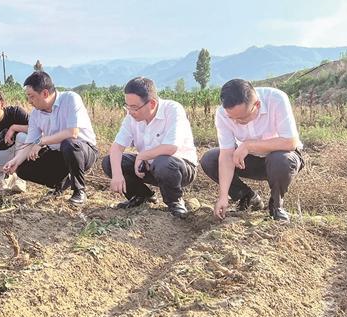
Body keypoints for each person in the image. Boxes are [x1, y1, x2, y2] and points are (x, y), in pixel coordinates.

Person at [200, 79, 304, 222]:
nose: (236, 122)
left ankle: (276, 206)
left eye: (242, 118)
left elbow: (290, 142)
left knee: (280, 160)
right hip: (251, 160)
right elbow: (226, 155)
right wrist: (223, 197)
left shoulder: (276, 99)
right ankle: (248, 197)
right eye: (232, 118)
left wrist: (249, 145)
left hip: (282, 159)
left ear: (257, 105)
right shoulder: (222, 114)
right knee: (210, 159)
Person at [102, 77, 198, 219]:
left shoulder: (172, 109)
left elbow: (171, 147)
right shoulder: (131, 118)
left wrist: (142, 156)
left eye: (134, 107)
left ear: (152, 103)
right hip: (148, 166)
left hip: (178, 168)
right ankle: (141, 196)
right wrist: (117, 175)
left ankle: (175, 202)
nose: (130, 112)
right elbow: (117, 147)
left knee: (163, 162)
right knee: (110, 162)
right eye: (127, 106)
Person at [3, 71, 98, 205]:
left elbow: (72, 133)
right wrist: (15, 161)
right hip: (59, 154)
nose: (29, 101)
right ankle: (61, 183)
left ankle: (79, 191)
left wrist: (41, 141)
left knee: (69, 144)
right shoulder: (36, 114)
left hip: (83, 151)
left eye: (31, 96)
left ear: (45, 93)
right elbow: (30, 143)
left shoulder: (70, 99)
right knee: (23, 169)